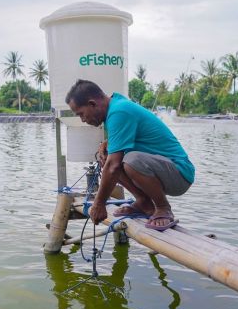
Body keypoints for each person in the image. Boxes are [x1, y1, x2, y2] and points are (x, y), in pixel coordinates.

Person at [65, 79, 195, 231]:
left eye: (81, 114)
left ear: (92, 104)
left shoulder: (119, 111)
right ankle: (144, 202)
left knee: (129, 161)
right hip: (162, 170)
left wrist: (99, 203)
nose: (83, 120)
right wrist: (108, 143)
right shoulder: (115, 107)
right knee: (108, 157)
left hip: (180, 174)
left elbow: (114, 166)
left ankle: (163, 208)